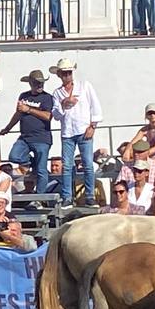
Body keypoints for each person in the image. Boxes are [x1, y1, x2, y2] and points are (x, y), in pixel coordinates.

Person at [49, 58, 101, 206]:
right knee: (67, 166)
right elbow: (56, 115)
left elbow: (95, 106)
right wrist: (63, 104)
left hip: (83, 130)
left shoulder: (85, 86)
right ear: (59, 74)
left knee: (88, 164)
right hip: (68, 133)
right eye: (64, 73)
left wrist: (93, 126)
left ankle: (89, 196)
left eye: (69, 73)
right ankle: (67, 197)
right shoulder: (57, 93)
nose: (67, 76)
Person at [0, 69, 54, 195]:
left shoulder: (47, 98)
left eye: (41, 83)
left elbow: (48, 116)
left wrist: (28, 109)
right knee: (14, 156)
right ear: (30, 83)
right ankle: (33, 162)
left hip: (42, 138)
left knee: (41, 170)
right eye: (37, 83)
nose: (39, 85)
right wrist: (8, 128)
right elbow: (18, 113)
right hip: (25, 137)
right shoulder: (23, 96)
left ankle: (40, 197)